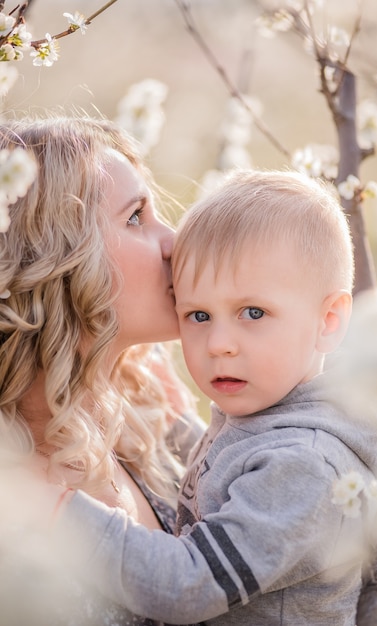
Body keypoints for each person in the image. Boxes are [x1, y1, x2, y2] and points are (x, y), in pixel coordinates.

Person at [40, 169, 377, 625]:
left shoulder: (305, 465)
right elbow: (227, 474)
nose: (218, 343)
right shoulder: (274, 415)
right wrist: (177, 426)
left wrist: (62, 514)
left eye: (253, 312)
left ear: (327, 321)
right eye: (199, 314)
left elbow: (186, 585)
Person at [0, 113, 205, 626]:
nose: (174, 241)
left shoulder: (149, 411)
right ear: (53, 258)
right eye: (135, 216)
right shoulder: (13, 507)